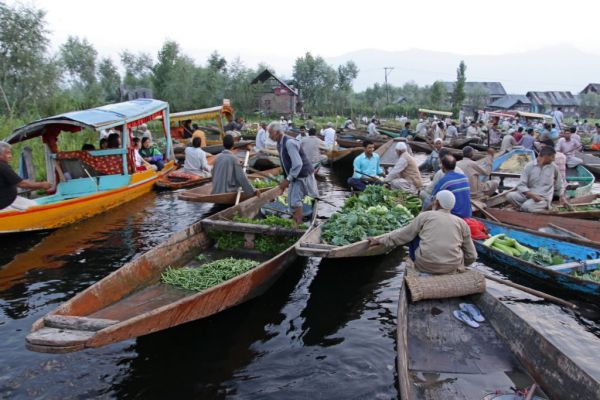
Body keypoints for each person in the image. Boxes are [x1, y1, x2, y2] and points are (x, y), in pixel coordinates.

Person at [367, 190, 477, 274]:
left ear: (437, 203)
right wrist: (461, 264)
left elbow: (403, 235)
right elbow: (472, 255)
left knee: (413, 235)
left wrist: (380, 241)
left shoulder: (425, 216)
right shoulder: (462, 223)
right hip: (452, 266)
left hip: (425, 265)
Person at [268, 122, 318, 224]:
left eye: (270, 133)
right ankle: (297, 223)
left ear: (277, 133)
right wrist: (285, 180)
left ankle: (298, 225)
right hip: (296, 176)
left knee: (296, 201)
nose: (269, 136)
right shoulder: (280, 144)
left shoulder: (289, 143)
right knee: (293, 202)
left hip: (303, 175)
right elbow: (286, 163)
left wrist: (288, 180)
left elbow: (298, 164)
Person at [506, 146, 568, 212]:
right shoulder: (529, 166)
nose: (553, 159)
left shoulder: (553, 167)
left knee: (526, 206)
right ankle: (529, 208)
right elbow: (521, 185)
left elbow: (560, 183)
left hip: (543, 197)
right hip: (529, 195)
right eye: (552, 157)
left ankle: (532, 208)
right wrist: (532, 195)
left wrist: (562, 196)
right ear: (545, 156)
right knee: (510, 196)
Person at [0, 141, 52, 211]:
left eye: (10, 153)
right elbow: (22, 184)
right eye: (7, 153)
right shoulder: (2, 166)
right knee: (35, 207)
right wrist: (42, 185)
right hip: (7, 203)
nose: (10, 156)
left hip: (8, 201)